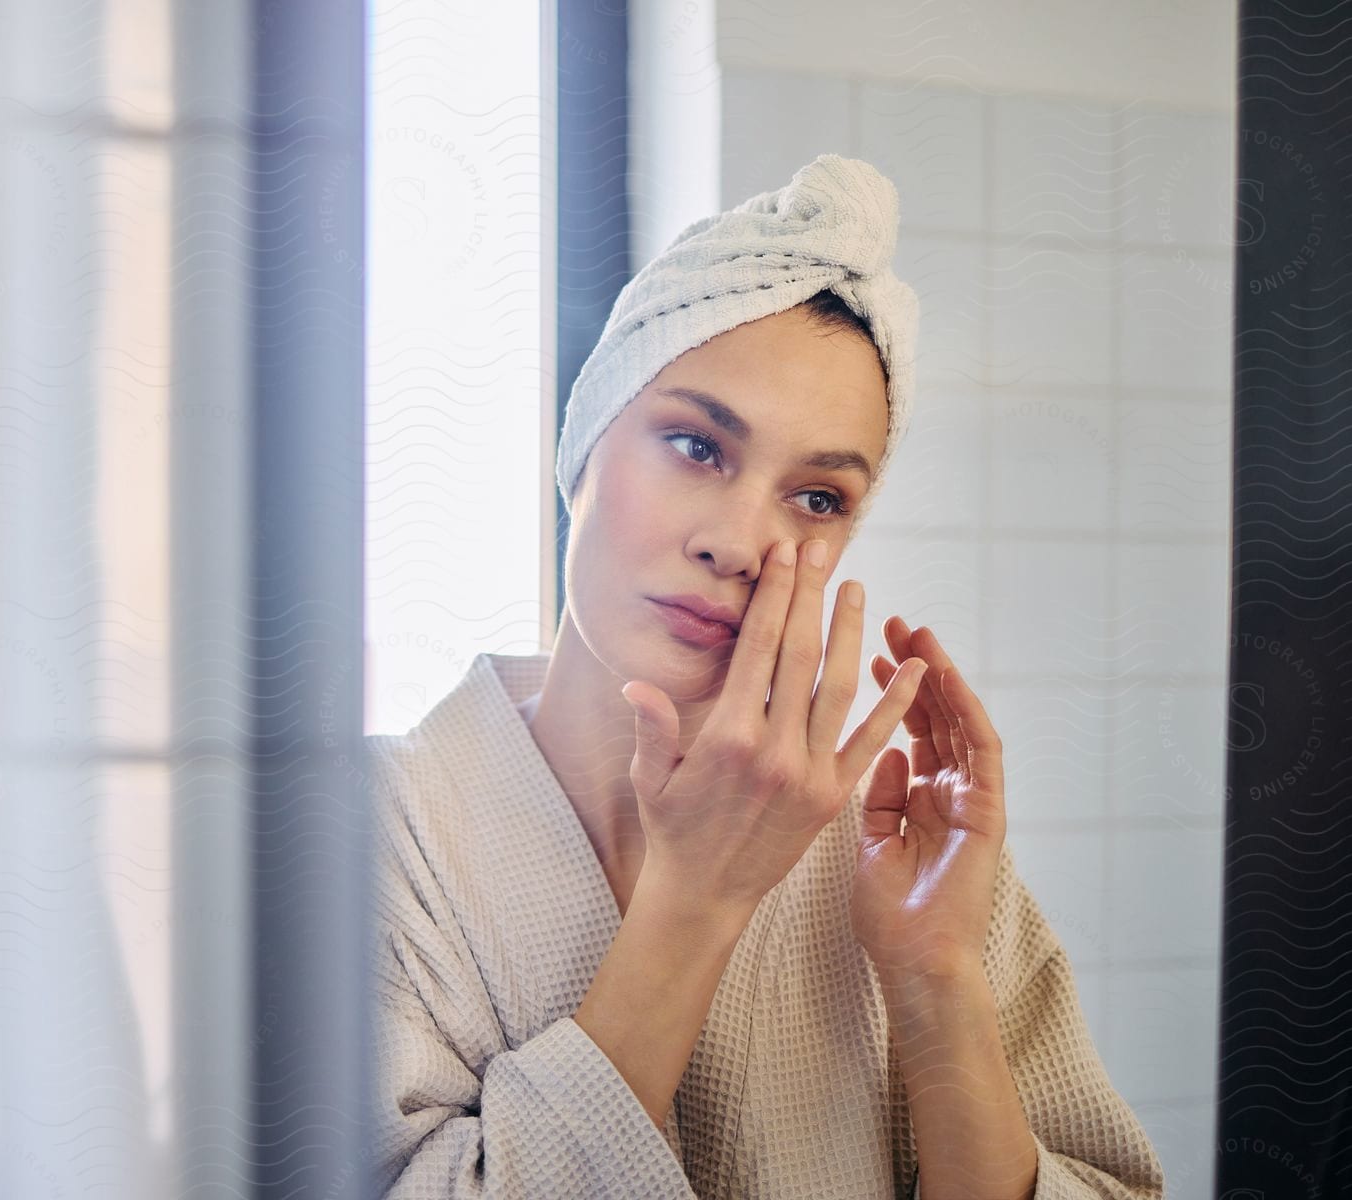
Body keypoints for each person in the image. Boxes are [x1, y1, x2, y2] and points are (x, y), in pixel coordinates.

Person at [366, 155, 1165, 1199]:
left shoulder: (898, 848)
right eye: (695, 444)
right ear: (584, 446)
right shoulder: (368, 830)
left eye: (819, 497)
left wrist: (934, 982)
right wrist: (695, 902)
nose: (742, 542)